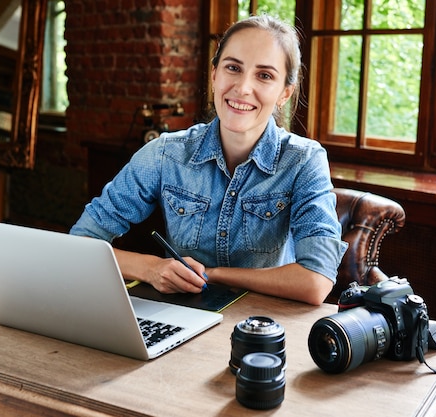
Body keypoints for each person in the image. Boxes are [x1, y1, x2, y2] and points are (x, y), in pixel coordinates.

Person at [70, 14, 347, 305]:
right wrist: (152, 269)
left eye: (264, 75)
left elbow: (316, 281)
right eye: (233, 68)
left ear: (284, 93)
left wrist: (213, 275)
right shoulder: (165, 154)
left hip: (265, 326)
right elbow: (81, 243)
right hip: (180, 318)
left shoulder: (304, 160)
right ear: (214, 75)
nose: (242, 88)